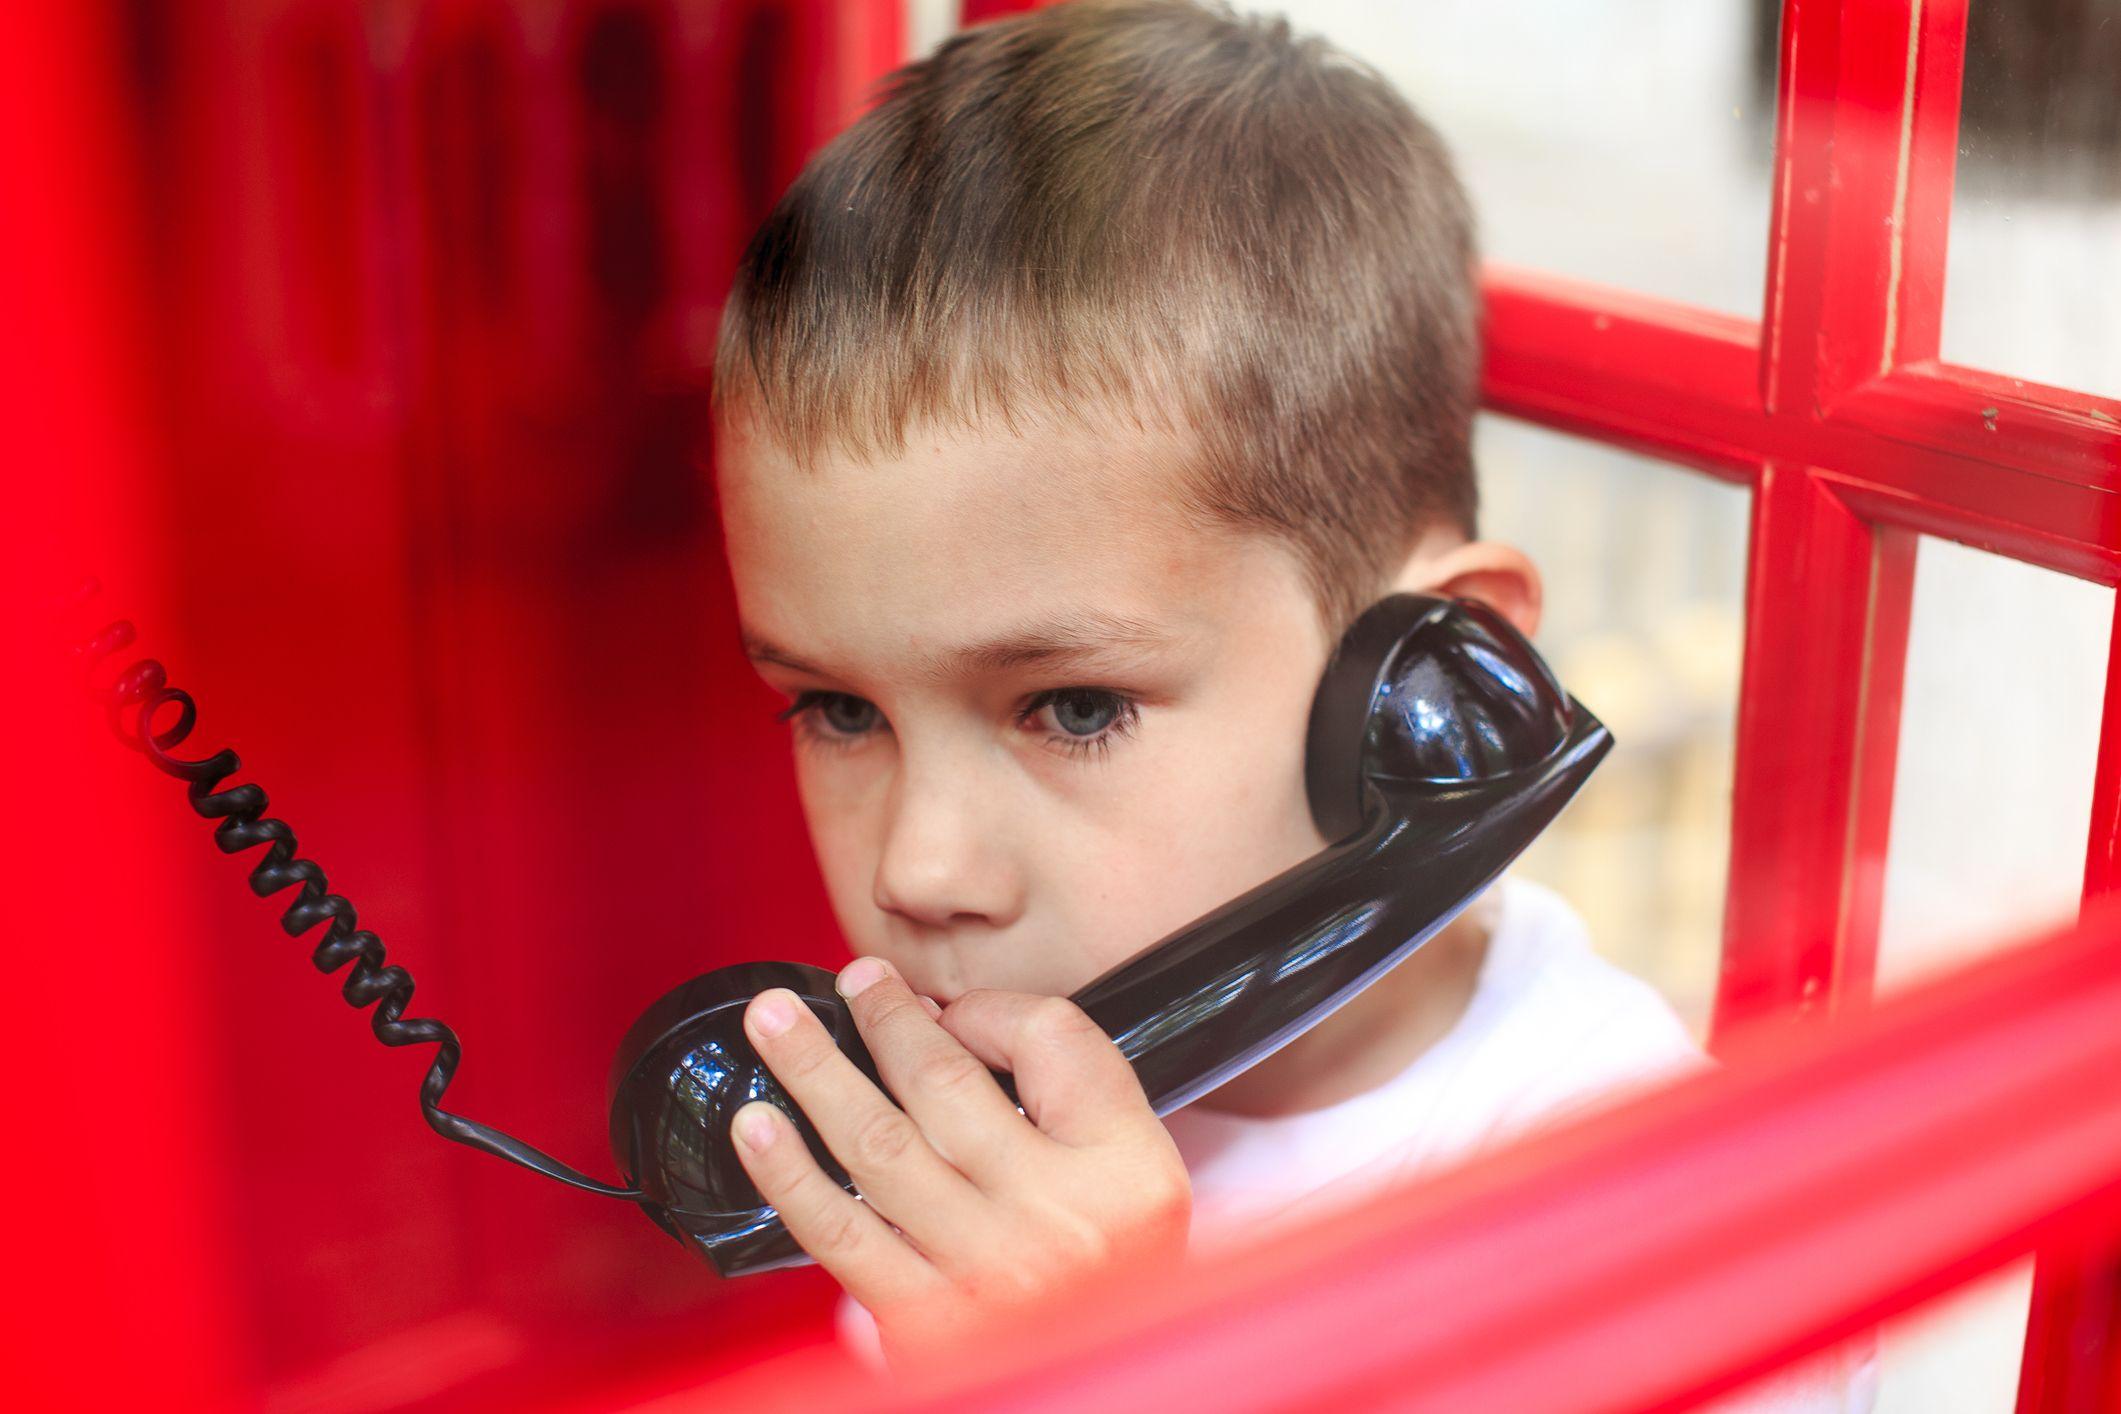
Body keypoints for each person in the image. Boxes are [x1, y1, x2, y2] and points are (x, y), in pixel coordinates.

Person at [706, 1, 1874, 1405]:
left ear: (1434, 689)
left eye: (1071, 707)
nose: (917, 868)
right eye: (837, 710)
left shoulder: (1663, 1224)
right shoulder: (953, 1136)